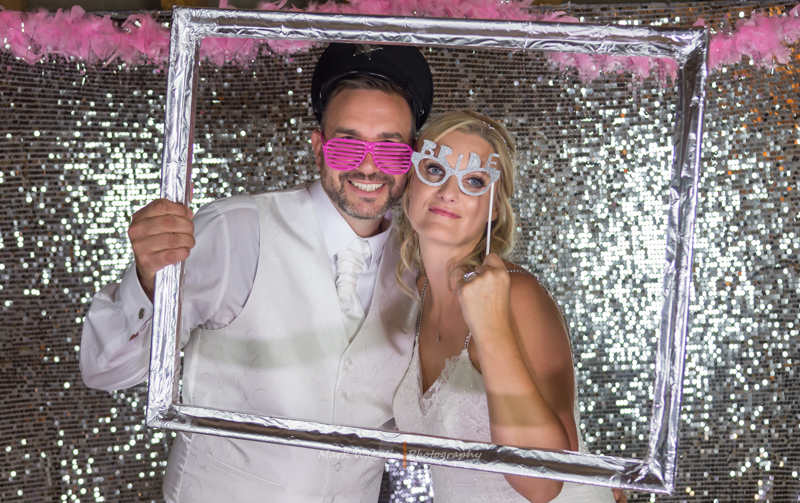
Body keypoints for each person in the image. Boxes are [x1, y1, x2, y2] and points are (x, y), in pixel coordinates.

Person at [80, 43, 433, 502]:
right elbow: (104, 370)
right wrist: (150, 280)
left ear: (415, 155)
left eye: (389, 150)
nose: (368, 166)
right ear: (319, 145)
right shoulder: (237, 231)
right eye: (347, 145)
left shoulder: (420, 265)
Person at [391, 110, 619, 503]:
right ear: (410, 180)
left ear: (494, 208)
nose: (448, 190)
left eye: (474, 181)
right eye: (434, 169)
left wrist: (491, 329)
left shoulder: (518, 295)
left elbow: (544, 482)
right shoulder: (414, 290)